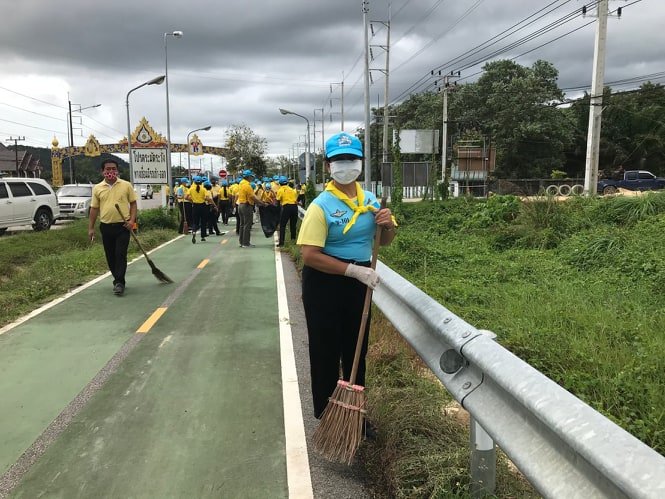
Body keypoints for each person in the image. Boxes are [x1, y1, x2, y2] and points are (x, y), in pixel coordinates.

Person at [296, 132, 397, 423]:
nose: (346, 165)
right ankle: (327, 414)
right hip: (324, 283)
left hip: (359, 284)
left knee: (356, 351)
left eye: (351, 159)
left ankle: (354, 417)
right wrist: (353, 270)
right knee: (325, 351)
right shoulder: (321, 206)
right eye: (339, 160)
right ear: (328, 166)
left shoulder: (370, 201)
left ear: (361, 163)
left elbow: (384, 241)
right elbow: (310, 255)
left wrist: (388, 225)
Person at [88, 158, 138, 296]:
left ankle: (119, 282)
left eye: (113, 169)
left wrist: (131, 221)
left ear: (117, 170)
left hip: (123, 226)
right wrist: (91, 228)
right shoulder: (97, 188)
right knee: (110, 256)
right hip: (106, 226)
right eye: (108, 169)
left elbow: (133, 204)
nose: (111, 171)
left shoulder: (126, 185)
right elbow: (94, 209)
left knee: (120, 254)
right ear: (102, 171)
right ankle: (117, 279)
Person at [236, 169, 266, 248]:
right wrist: (262, 203)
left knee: (242, 224)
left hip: (240, 205)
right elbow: (253, 197)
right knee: (247, 225)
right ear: (248, 177)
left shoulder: (241, 183)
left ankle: (241, 242)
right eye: (251, 177)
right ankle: (246, 243)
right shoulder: (247, 185)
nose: (252, 178)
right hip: (246, 205)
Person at [276, 175, 299, 247]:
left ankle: (281, 243)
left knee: (282, 225)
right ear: (287, 182)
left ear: (280, 183)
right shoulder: (292, 190)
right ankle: (293, 239)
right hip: (294, 207)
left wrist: (277, 212)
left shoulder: (280, 190)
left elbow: (277, 202)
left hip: (286, 207)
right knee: (293, 225)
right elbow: (295, 199)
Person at [186, 176, 208, 243]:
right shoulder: (203, 189)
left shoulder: (191, 189)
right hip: (203, 206)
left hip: (195, 206)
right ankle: (203, 236)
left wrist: (192, 201)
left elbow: (186, 197)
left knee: (195, 222)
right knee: (203, 222)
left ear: (194, 182)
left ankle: (194, 231)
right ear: (201, 182)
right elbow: (207, 198)